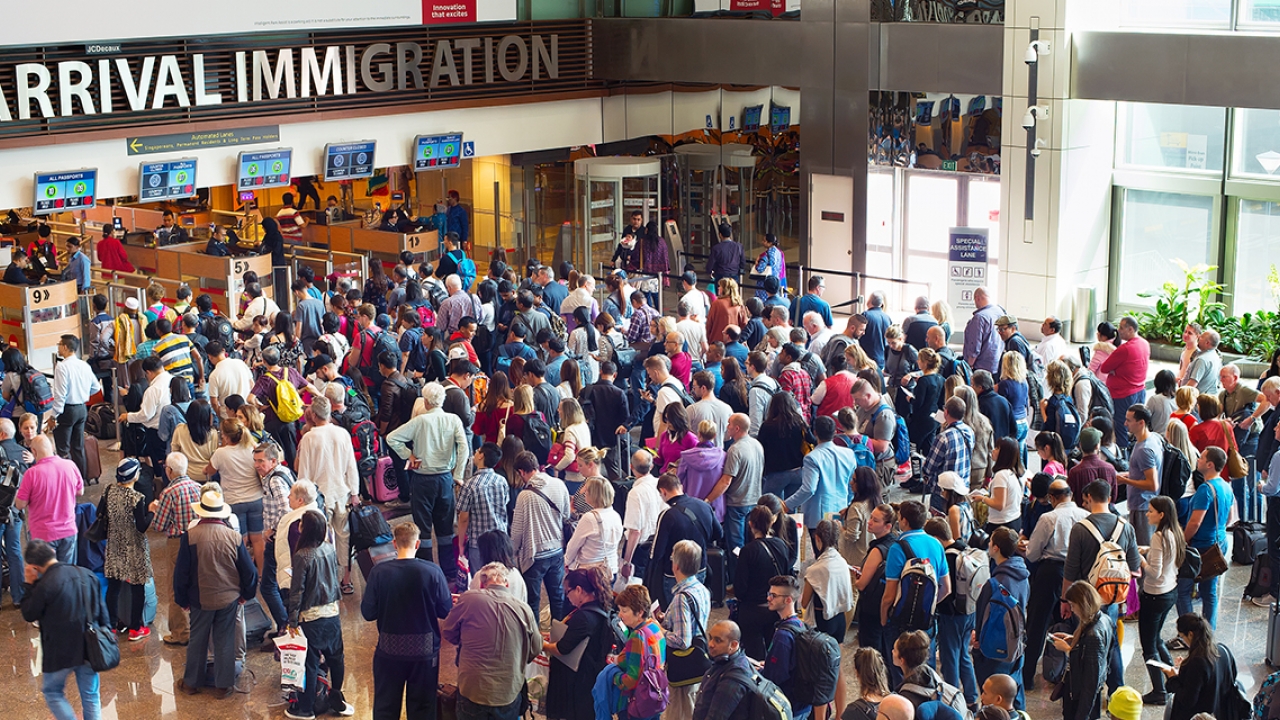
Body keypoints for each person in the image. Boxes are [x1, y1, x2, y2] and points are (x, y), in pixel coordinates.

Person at [173, 486, 258, 698]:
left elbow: (181, 573)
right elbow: (250, 572)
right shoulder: (234, 537)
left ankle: (191, 682)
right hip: (229, 599)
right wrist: (245, 595)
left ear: (201, 512)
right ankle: (224, 685)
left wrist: (181, 599)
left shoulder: (190, 537)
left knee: (198, 640)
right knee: (225, 640)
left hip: (199, 599)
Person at [362, 523, 452, 719]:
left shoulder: (379, 572)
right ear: (417, 543)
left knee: (385, 707)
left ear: (394, 543)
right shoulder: (433, 571)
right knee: (423, 708)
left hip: (389, 649)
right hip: (425, 651)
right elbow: (446, 611)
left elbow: (368, 613)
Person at [387, 382, 470, 586]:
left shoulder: (420, 421)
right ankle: (449, 571)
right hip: (445, 479)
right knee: (445, 529)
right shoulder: (453, 420)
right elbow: (464, 449)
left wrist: (410, 456)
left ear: (425, 401)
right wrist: (458, 474)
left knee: (423, 529)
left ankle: (427, 570)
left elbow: (392, 438)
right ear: (443, 400)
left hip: (422, 479)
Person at [20, 538, 110, 720]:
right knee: (91, 695)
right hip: (89, 647)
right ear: (52, 553)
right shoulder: (86, 574)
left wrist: (29, 585)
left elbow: (29, 614)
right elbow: (102, 612)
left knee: (53, 692)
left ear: (35, 567)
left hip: (59, 651)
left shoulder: (44, 586)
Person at [1063, 479, 1138, 692]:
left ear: (1088, 498)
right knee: (1111, 642)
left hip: (1085, 598)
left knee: (1083, 642)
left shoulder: (1080, 529)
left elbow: (1070, 571)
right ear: (1111, 497)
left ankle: (1086, 687)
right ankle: (1117, 690)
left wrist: (1065, 600)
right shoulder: (1126, 527)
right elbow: (1133, 567)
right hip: (1112, 596)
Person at [441, 562, 541, 719]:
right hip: (507, 691)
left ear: (481, 584)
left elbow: (448, 632)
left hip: (472, 688)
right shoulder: (524, 609)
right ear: (506, 584)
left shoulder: (468, 599)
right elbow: (535, 649)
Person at [285, 510, 354, 718]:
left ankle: (306, 709)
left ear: (304, 529)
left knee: (310, 664)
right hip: (332, 612)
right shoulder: (329, 549)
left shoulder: (301, 555)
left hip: (311, 616)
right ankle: (337, 698)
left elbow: (297, 591)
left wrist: (292, 621)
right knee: (336, 657)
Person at [1020, 479, 1087, 689]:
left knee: (1038, 624)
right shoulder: (1085, 516)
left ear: (1052, 498)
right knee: (1078, 625)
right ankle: (1076, 675)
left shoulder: (1049, 517)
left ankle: (1027, 676)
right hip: (1078, 573)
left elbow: (1032, 553)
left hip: (1051, 571)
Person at [295, 395, 361, 594]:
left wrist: (301, 499)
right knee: (344, 536)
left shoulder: (308, 438)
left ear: (313, 415)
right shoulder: (342, 434)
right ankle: (347, 580)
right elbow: (351, 465)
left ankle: (327, 579)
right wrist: (355, 492)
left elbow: (304, 472)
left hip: (319, 495)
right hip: (342, 491)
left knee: (322, 539)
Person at [881, 501, 952, 687]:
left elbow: (889, 595)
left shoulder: (898, 548)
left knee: (900, 675)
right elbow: (946, 587)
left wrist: (884, 619)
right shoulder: (936, 544)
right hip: (926, 621)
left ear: (903, 520)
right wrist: (928, 604)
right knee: (926, 673)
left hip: (899, 622)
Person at [544, 566, 616, 720]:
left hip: (579, 680)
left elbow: (562, 649)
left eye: (567, 591)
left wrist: (541, 644)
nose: (567, 597)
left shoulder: (583, 617)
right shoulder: (603, 606)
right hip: (593, 673)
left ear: (578, 590)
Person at [1134, 495, 1185, 706]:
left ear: (1161, 514)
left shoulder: (1159, 537)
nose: (1147, 514)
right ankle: (1173, 675)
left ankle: (1158, 691)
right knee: (1156, 639)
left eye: (1151, 511)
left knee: (1149, 645)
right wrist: (1148, 550)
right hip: (1170, 592)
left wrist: (1141, 560)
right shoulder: (1174, 533)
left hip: (1154, 595)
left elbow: (1154, 572)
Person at [509, 450, 572, 619]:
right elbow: (566, 515)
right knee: (557, 597)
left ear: (522, 472)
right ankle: (558, 638)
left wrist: (513, 553)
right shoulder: (559, 484)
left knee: (533, 601)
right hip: (558, 550)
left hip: (534, 555)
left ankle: (535, 641)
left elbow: (517, 531)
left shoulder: (525, 496)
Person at [973, 528, 1030, 710]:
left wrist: (977, 642)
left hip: (993, 649)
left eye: (990, 542)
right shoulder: (1023, 575)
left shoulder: (994, 584)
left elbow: (981, 618)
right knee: (1013, 689)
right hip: (1016, 644)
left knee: (994, 694)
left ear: (996, 548)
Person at [924, 514, 977, 707]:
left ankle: (951, 699)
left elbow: (946, 589)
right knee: (963, 655)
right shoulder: (965, 547)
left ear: (936, 538)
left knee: (950, 658)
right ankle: (971, 698)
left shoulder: (948, 557)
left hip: (951, 615)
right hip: (969, 611)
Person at [98, 458, 155, 641]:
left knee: (113, 586)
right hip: (135, 547)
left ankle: (111, 626)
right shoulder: (137, 498)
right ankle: (135, 628)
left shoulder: (109, 491)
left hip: (114, 543)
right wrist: (151, 511)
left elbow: (102, 513)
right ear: (135, 476)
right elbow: (141, 526)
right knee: (137, 587)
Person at [1177, 446, 1232, 629]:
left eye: (1201, 458)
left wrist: (1182, 541)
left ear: (1209, 464)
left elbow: (1195, 523)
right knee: (1209, 591)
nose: (1198, 460)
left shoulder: (1205, 490)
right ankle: (1208, 632)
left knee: (1183, 590)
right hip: (1219, 542)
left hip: (1201, 546)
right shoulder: (1225, 485)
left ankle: (1188, 633)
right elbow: (1230, 517)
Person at [648, 473, 721, 606]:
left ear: (663, 492)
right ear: (680, 487)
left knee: (676, 611)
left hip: (675, 572)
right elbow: (718, 533)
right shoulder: (704, 505)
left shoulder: (668, 515)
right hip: (700, 566)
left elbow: (657, 552)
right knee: (696, 606)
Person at [658, 540, 712, 720]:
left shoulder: (681, 598)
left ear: (676, 566)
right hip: (697, 661)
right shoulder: (702, 589)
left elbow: (682, 641)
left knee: (678, 714)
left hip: (682, 669)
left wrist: (661, 630)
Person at [1050, 581, 1115, 720]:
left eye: (1073, 605)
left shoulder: (1093, 636)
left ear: (1083, 604)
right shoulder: (1104, 619)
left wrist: (1067, 649)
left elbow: (1090, 680)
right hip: (1087, 690)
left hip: (1078, 695)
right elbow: (1105, 652)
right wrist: (1073, 639)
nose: (1072, 610)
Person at [15, 435, 81, 564]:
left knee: (46, 578)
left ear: (33, 452)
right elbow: (80, 491)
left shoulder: (31, 474)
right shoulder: (70, 465)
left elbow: (20, 504)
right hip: (68, 530)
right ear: (51, 447)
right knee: (67, 575)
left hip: (43, 534)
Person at [762, 574, 815, 719]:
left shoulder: (783, 636)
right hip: (803, 704)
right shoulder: (801, 625)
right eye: (769, 594)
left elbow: (776, 676)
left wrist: (762, 670)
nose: (768, 598)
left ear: (788, 599)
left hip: (788, 706)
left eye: (773, 595)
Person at [612, 584, 667, 720]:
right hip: (656, 696)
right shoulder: (654, 626)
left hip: (638, 703)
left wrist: (614, 678)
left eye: (624, 611)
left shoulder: (637, 636)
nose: (620, 615)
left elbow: (631, 679)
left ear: (640, 612)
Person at [48, 334, 99, 481]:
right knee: (78, 447)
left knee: (63, 449)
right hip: (82, 408)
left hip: (67, 410)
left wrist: (53, 416)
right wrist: (82, 393)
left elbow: (60, 395)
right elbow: (96, 387)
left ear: (65, 347)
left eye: (59, 344)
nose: (58, 347)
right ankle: (81, 479)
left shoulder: (62, 367)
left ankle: (68, 480)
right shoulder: (84, 365)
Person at [1220, 363, 1265, 522]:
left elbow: (1265, 400)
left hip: (1251, 440)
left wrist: (1251, 419)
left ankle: (1256, 522)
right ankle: (1243, 522)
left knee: (1253, 484)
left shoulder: (1244, 390)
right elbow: (1220, 415)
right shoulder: (1223, 395)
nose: (1221, 380)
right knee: (1238, 483)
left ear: (1235, 377)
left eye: (1224, 377)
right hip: (1236, 441)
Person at [457, 443, 510, 575]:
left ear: (481, 456)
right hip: (500, 538)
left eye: (477, 451)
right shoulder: (502, 481)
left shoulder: (469, 485)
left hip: (478, 541)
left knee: (480, 578)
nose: (475, 453)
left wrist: (460, 544)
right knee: (500, 577)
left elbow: (463, 519)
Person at [1098, 317, 1150, 448]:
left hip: (1122, 394)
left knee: (1121, 427)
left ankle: (1122, 457)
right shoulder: (1144, 343)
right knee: (1135, 426)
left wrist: (1114, 370)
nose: (1118, 330)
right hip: (1140, 390)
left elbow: (1104, 368)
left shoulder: (1125, 348)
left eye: (1121, 328)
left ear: (1131, 329)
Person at [691, 620, 755, 720]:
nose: (710, 644)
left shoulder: (732, 679)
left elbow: (716, 717)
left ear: (733, 645)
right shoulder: (727, 660)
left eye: (718, 640)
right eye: (710, 638)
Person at [1118, 404, 1162, 545]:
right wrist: (1129, 475)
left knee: (1143, 548)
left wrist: (1125, 480)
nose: (1125, 424)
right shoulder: (1153, 438)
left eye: (1129, 420)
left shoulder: (1144, 449)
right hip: (1143, 504)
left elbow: (1152, 484)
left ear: (1141, 422)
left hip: (1143, 506)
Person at [620, 451, 665, 585]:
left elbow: (635, 531)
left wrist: (627, 562)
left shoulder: (635, 493)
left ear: (631, 467)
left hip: (641, 550)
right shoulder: (661, 484)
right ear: (651, 466)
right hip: (659, 544)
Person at [921, 397, 974, 506]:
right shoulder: (969, 431)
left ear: (946, 412)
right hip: (962, 488)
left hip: (943, 491)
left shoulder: (943, 437)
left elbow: (929, 468)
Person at [565, 476, 623, 576]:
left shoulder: (590, 518)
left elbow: (574, 545)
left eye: (587, 491)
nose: (584, 494)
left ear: (594, 495)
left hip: (589, 571)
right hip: (610, 569)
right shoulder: (615, 515)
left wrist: (566, 562)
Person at [963, 287, 1006, 374]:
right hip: (997, 364)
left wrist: (969, 365)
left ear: (977, 298)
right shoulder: (999, 311)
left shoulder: (979, 318)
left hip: (980, 367)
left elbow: (974, 345)